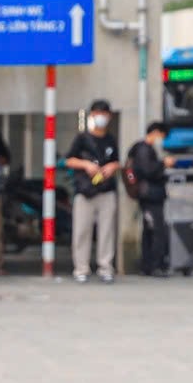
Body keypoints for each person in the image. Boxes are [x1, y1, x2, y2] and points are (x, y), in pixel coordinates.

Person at [63, 100, 121, 282]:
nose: (100, 117)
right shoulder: (82, 139)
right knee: (82, 230)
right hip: (85, 191)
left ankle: (106, 267)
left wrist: (112, 167)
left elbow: (118, 161)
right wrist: (86, 165)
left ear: (109, 116)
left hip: (106, 190)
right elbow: (68, 160)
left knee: (107, 231)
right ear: (92, 115)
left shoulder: (111, 140)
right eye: (97, 114)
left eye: (104, 114)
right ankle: (81, 268)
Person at [123, 122, 172, 277]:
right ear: (156, 132)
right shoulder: (144, 149)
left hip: (149, 194)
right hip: (150, 195)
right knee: (157, 230)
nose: (162, 140)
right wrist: (163, 163)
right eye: (162, 136)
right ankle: (154, 265)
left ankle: (148, 265)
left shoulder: (142, 148)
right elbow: (148, 170)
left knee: (149, 230)